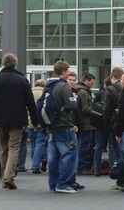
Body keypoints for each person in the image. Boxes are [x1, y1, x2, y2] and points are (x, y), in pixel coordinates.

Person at [0, 53, 38, 190]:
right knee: (14, 148)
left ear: (3, 63)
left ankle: (4, 178)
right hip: (18, 120)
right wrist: (35, 121)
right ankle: (9, 176)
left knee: (4, 149)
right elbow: (30, 102)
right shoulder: (22, 80)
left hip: (0, 120)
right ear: (15, 64)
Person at [44, 60, 79, 193]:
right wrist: (74, 99)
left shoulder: (48, 85)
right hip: (64, 126)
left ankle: (53, 184)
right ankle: (63, 184)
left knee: (53, 157)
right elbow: (71, 105)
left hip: (51, 126)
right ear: (64, 72)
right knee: (70, 154)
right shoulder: (63, 87)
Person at [103, 67, 124, 189]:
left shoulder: (110, 90)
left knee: (114, 150)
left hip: (114, 123)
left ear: (112, 77)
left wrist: (107, 123)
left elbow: (107, 109)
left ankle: (116, 174)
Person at [75, 73, 96, 175]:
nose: (92, 85)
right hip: (86, 123)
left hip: (83, 123)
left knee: (82, 145)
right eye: (91, 83)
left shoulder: (80, 90)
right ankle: (81, 167)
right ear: (86, 81)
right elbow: (85, 109)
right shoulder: (83, 92)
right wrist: (95, 109)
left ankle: (81, 166)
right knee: (83, 146)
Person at [92, 76, 112, 177]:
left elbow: (94, 106)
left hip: (100, 123)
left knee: (98, 146)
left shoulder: (100, 93)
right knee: (111, 147)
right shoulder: (113, 92)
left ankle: (97, 168)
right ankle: (112, 167)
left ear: (104, 84)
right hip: (110, 123)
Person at [30, 79, 47, 174]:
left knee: (33, 143)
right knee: (41, 143)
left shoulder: (30, 93)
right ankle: (37, 164)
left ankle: (34, 162)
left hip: (30, 123)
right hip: (40, 122)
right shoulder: (45, 94)